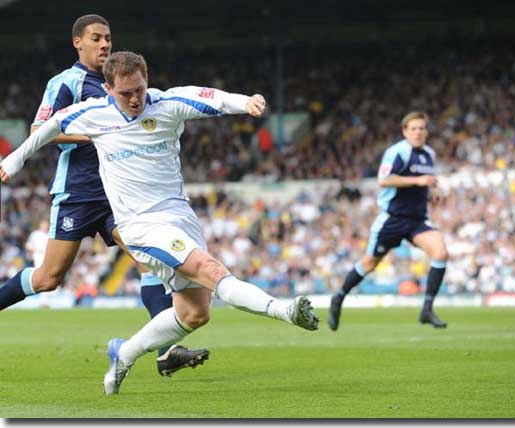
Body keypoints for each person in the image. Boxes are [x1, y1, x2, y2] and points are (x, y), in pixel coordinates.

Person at [0, 51, 320, 395]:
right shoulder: (92, 114)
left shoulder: (166, 104)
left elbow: (207, 97)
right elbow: (49, 126)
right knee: (210, 270)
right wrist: (14, 160)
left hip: (180, 217)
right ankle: (285, 310)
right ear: (108, 89)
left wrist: (247, 102)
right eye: (125, 93)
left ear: (147, 80)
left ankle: (123, 353)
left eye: (140, 89)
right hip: (140, 226)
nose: (135, 99)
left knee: (195, 313)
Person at [0, 14, 208, 377]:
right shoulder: (67, 82)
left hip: (119, 197)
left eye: (108, 38)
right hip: (78, 192)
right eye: (96, 38)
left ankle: (165, 349)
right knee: (48, 278)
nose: (104, 44)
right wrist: (98, 134)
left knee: (148, 262)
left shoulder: (118, 85)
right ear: (77, 43)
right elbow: (40, 129)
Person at [328, 111, 449, 330]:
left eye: (422, 128)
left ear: (427, 131)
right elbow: (384, 180)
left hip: (417, 220)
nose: (418, 132)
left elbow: (424, 183)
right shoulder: (397, 152)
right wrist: (419, 180)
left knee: (440, 252)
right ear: (405, 131)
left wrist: (433, 190)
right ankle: (338, 297)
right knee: (369, 263)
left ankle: (427, 309)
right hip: (392, 219)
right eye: (413, 128)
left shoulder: (429, 154)